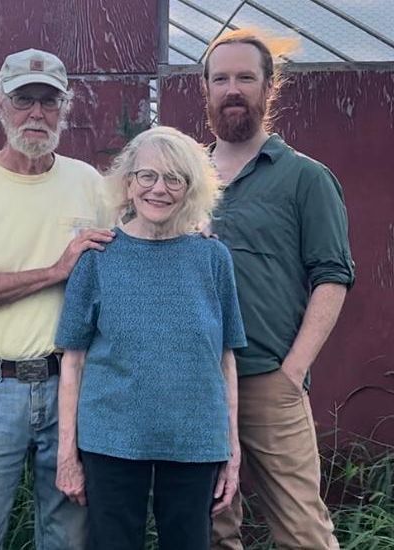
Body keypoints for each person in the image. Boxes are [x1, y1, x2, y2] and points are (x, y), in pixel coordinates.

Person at [0, 48, 114, 550]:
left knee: (68, 539)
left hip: (69, 388)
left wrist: (192, 232)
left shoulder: (88, 183)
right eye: (23, 100)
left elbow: (129, 252)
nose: (36, 114)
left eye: (49, 101)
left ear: (65, 107)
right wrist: (56, 271)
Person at [55, 126, 247, 550]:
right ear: (128, 183)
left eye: (174, 178)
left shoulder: (213, 258)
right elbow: (73, 361)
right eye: (147, 176)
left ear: (190, 189)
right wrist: (67, 455)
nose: (159, 189)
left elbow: (225, 360)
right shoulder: (98, 258)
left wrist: (231, 450)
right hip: (111, 441)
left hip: (194, 442)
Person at [203, 29, 356, 550]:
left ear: (269, 88)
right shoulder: (182, 179)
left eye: (246, 78)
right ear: (206, 90)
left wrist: (293, 372)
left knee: (302, 530)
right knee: (211, 527)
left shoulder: (304, 178)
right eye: (221, 79)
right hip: (196, 383)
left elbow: (332, 278)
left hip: (269, 380)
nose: (233, 89)